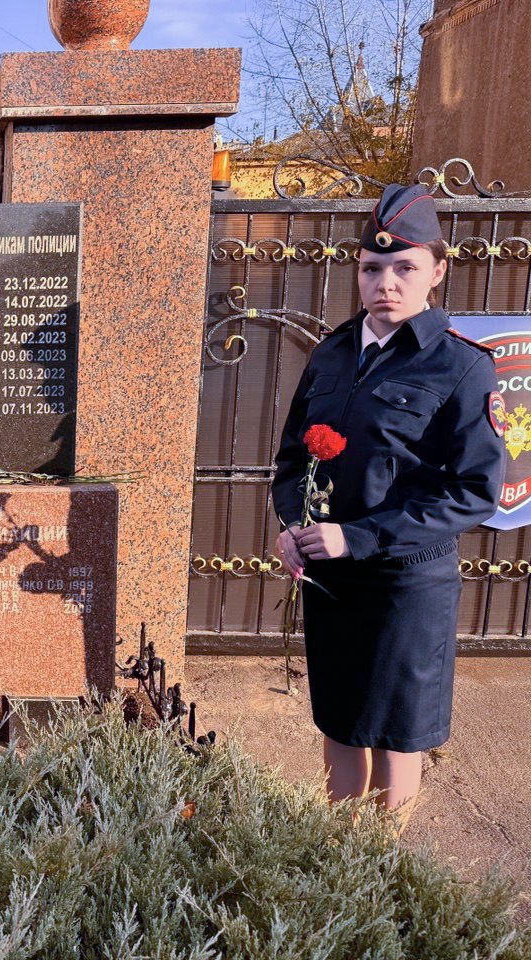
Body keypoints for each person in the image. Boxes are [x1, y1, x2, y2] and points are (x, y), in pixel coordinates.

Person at [270, 183, 505, 833]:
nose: (387, 283)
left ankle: (383, 873)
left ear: (437, 269)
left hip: (406, 584)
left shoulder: (460, 368)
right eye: (373, 268)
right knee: (342, 724)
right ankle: (339, 856)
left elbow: (473, 492)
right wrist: (294, 527)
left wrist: (361, 537)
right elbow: (293, 461)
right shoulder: (333, 354)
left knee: (398, 738)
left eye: (404, 267)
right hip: (334, 581)